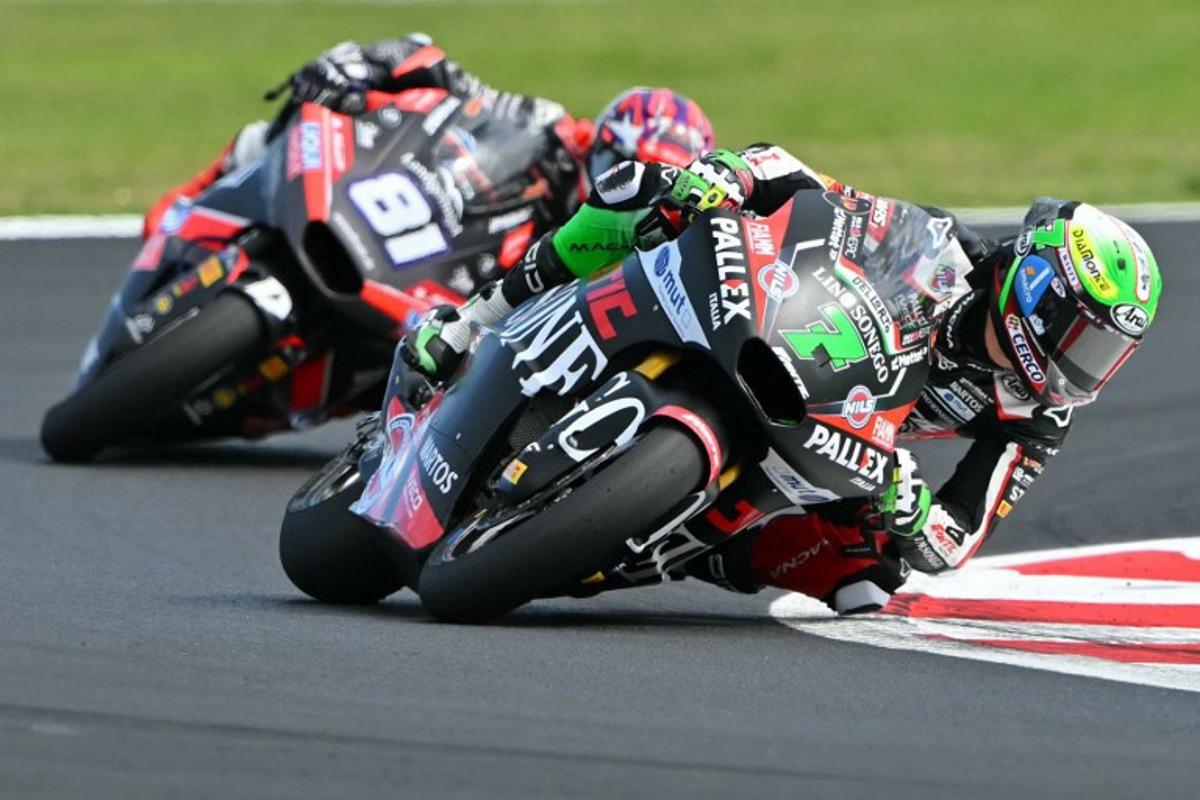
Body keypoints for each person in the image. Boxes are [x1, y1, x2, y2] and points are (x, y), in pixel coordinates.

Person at [403, 144, 1163, 614]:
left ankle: (702, 552)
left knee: (870, 575)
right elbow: (814, 188)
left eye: (1105, 352)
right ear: (1035, 288)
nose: (1083, 364)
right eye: (1082, 337)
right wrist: (730, 174)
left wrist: (913, 511)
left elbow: (957, 539)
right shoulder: (942, 245)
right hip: (779, 330)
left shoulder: (1036, 417)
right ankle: (474, 318)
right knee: (644, 189)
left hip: (842, 440)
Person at [141, 34, 715, 244]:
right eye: (621, 162)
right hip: (421, 226)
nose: (627, 185)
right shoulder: (551, 128)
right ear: (602, 142)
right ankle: (197, 199)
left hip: (451, 307)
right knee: (311, 114)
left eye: (649, 182)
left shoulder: (641, 248)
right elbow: (461, 86)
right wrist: (374, 64)